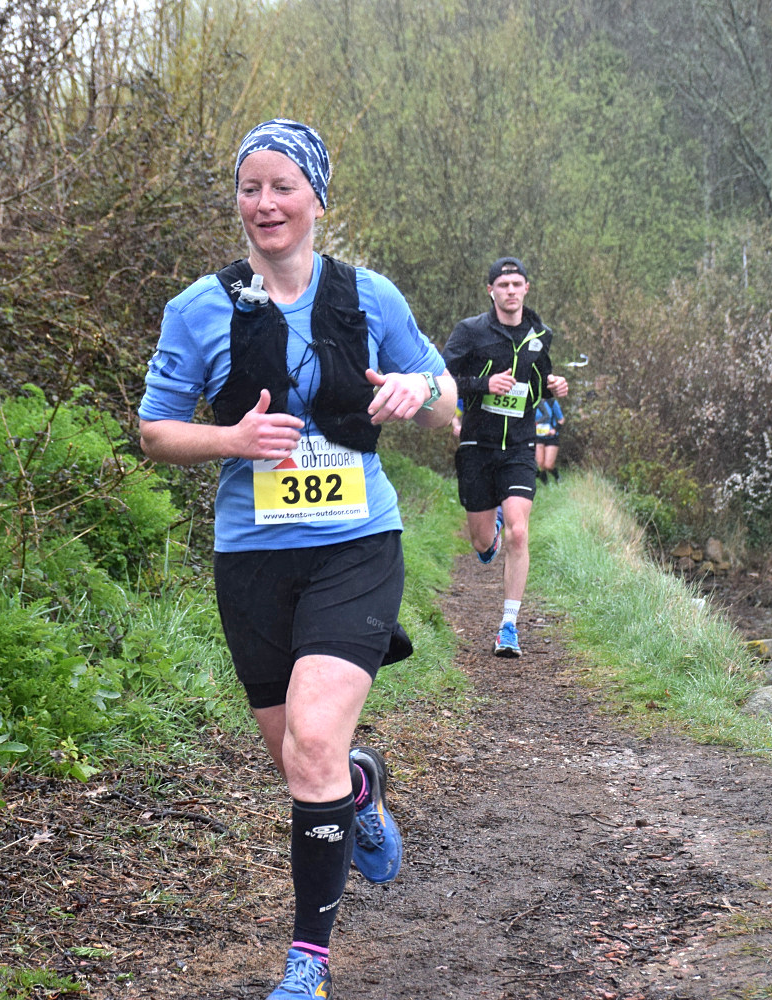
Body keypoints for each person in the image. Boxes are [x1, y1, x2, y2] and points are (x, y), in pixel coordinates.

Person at [136, 118, 456, 1000]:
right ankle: (360, 786)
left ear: (317, 198)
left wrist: (417, 387)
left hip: (357, 545)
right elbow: (156, 432)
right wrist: (230, 439)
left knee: (313, 739)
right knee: (303, 763)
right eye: (251, 188)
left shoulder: (370, 297)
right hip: (252, 559)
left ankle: (306, 964)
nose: (265, 203)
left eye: (283, 187)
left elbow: (447, 400)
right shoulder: (199, 308)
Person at [442, 256, 568, 658]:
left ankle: (508, 626)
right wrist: (484, 384)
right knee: (482, 544)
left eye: (517, 284)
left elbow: (537, 385)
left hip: (519, 445)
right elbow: (442, 380)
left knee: (519, 531)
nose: (510, 291)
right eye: (503, 285)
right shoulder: (470, 332)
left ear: (526, 288)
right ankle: (490, 530)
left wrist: (553, 386)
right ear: (491, 290)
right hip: (477, 445)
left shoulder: (540, 335)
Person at [534, 396, 564, 483]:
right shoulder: (534, 402)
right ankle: (546, 484)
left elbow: (561, 419)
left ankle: (557, 477)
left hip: (551, 437)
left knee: (548, 465)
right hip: (538, 436)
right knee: (540, 464)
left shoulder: (551, 402)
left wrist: (554, 430)